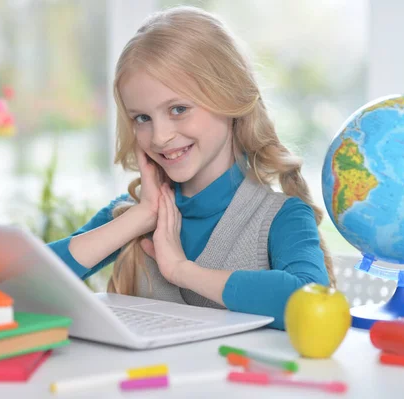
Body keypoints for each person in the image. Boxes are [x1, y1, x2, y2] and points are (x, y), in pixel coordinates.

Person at [48, 5, 334, 330]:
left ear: (229, 100)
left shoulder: (281, 217)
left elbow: (311, 302)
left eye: (179, 109)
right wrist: (141, 217)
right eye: (142, 118)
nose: (160, 136)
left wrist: (182, 270)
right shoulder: (131, 214)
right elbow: (27, 281)